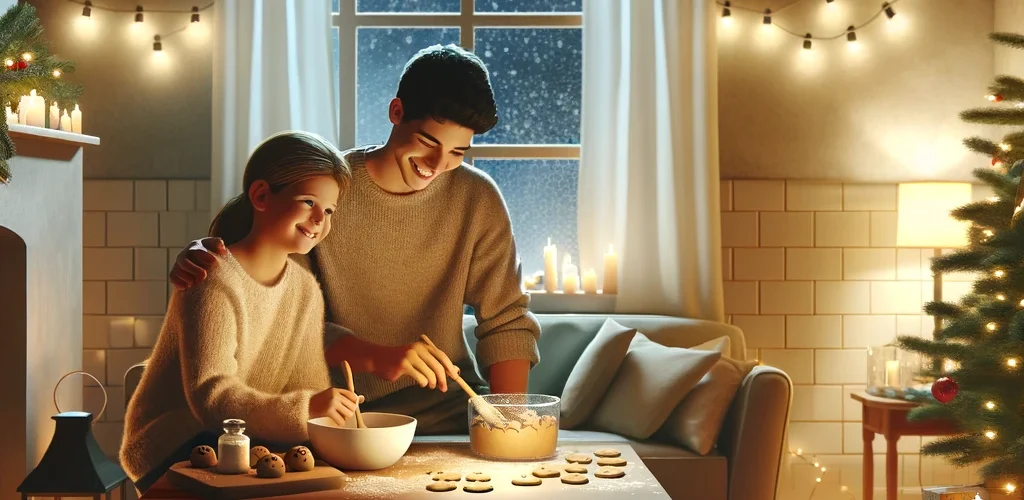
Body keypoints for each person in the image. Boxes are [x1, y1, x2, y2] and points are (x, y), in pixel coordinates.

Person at [170, 44, 541, 434]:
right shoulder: (326, 190)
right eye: (429, 143)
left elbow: (506, 321)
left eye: (457, 152)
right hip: (338, 417)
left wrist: (510, 422)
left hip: (448, 415)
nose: (437, 165)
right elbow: (282, 316)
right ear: (396, 112)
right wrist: (377, 358)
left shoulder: (478, 198)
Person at [121, 131, 363, 493]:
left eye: (329, 210)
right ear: (261, 195)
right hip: (177, 441)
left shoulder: (304, 291)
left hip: (247, 435)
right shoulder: (211, 276)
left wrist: (331, 416)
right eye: (308, 202)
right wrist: (309, 406)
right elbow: (212, 396)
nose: (320, 219)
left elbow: (307, 386)